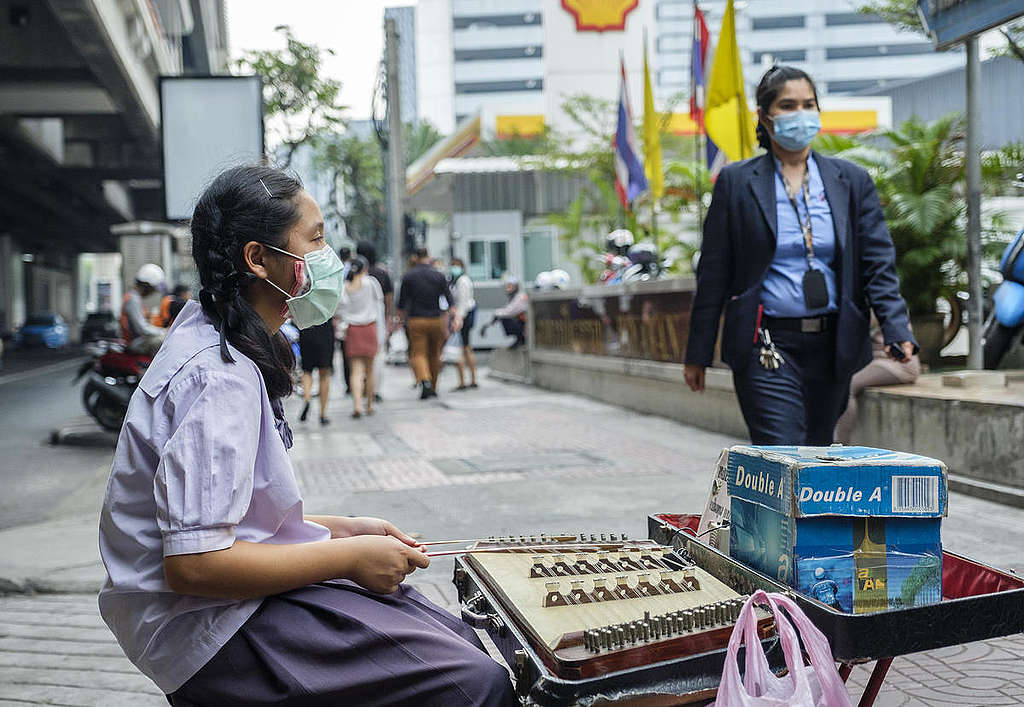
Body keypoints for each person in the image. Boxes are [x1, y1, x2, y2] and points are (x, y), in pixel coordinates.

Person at [97, 165, 515, 706]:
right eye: (314, 239)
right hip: (209, 628)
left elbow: (220, 513)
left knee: (453, 635)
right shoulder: (216, 376)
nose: (327, 257)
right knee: (474, 684)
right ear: (258, 259)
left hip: (227, 604)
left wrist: (341, 530)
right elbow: (194, 563)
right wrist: (347, 558)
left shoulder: (224, 342)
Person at [683, 65, 917, 445]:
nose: (801, 114)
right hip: (766, 345)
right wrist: (698, 353)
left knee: (819, 447)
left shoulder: (851, 181)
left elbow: (877, 262)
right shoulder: (738, 182)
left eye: (809, 104)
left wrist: (897, 328)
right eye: (788, 105)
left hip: (833, 343)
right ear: (765, 116)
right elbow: (714, 272)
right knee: (783, 450)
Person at [835, 315, 920, 444]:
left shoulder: (882, 300)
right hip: (875, 360)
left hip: (896, 363)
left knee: (849, 386)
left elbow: (857, 325)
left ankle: (840, 443)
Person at [398, 247, 458, 399]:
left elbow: (401, 303)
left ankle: (425, 380)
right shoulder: (438, 275)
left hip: (416, 320)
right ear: (428, 256)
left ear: (415, 257)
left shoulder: (408, 276)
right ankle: (434, 387)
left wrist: (398, 320)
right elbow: (450, 301)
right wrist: (454, 319)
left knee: (418, 353)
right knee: (435, 354)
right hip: (436, 320)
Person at [337, 256, 384, 418]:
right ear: (364, 268)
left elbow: (340, 310)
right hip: (370, 328)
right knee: (370, 370)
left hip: (353, 330)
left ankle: (357, 405)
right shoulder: (371, 283)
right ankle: (369, 404)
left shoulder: (345, 287)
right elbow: (380, 302)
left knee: (355, 371)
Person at [356, 240, 395, 403]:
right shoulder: (381, 273)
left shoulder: (353, 274)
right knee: (377, 356)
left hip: (355, 321)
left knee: (357, 359)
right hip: (376, 320)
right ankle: (375, 389)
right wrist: (388, 318)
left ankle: (360, 390)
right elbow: (389, 298)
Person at [298, 306, 335, 426]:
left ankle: (307, 398)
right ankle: (323, 414)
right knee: (324, 374)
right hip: (325, 329)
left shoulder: (304, 289)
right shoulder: (328, 289)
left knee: (307, 370)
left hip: (307, 329)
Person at [120, 263, 166, 355]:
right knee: (164, 339)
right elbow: (141, 328)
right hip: (135, 343)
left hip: (138, 340)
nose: (152, 293)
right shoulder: (133, 299)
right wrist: (163, 331)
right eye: (153, 289)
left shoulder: (135, 298)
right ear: (146, 286)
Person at [449, 257, 478, 390]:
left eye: (456, 266)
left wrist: (458, 319)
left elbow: (462, 302)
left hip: (463, 317)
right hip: (461, 316)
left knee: (463, 348)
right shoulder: (455, 281)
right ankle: (469, 379)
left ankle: (466, 380)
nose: (454, 268)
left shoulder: (463, 281)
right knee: (465, 348)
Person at [487, 274, 528, 348]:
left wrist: (496, 313)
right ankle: (519, 339)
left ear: (515, 287)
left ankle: (521, 338)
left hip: (525, 324)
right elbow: (507, 309)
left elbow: (509, 312)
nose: (507, 289)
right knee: (501, 316)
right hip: (522, 322)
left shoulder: (520, 297)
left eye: (509, 287)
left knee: (505, 318)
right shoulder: (514, 297)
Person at [335, 246, 353, 395]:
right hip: (357, 319)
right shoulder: (356, 271)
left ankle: (349, 383)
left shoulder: (336, 270)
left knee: (345, 353)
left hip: (342, 318)